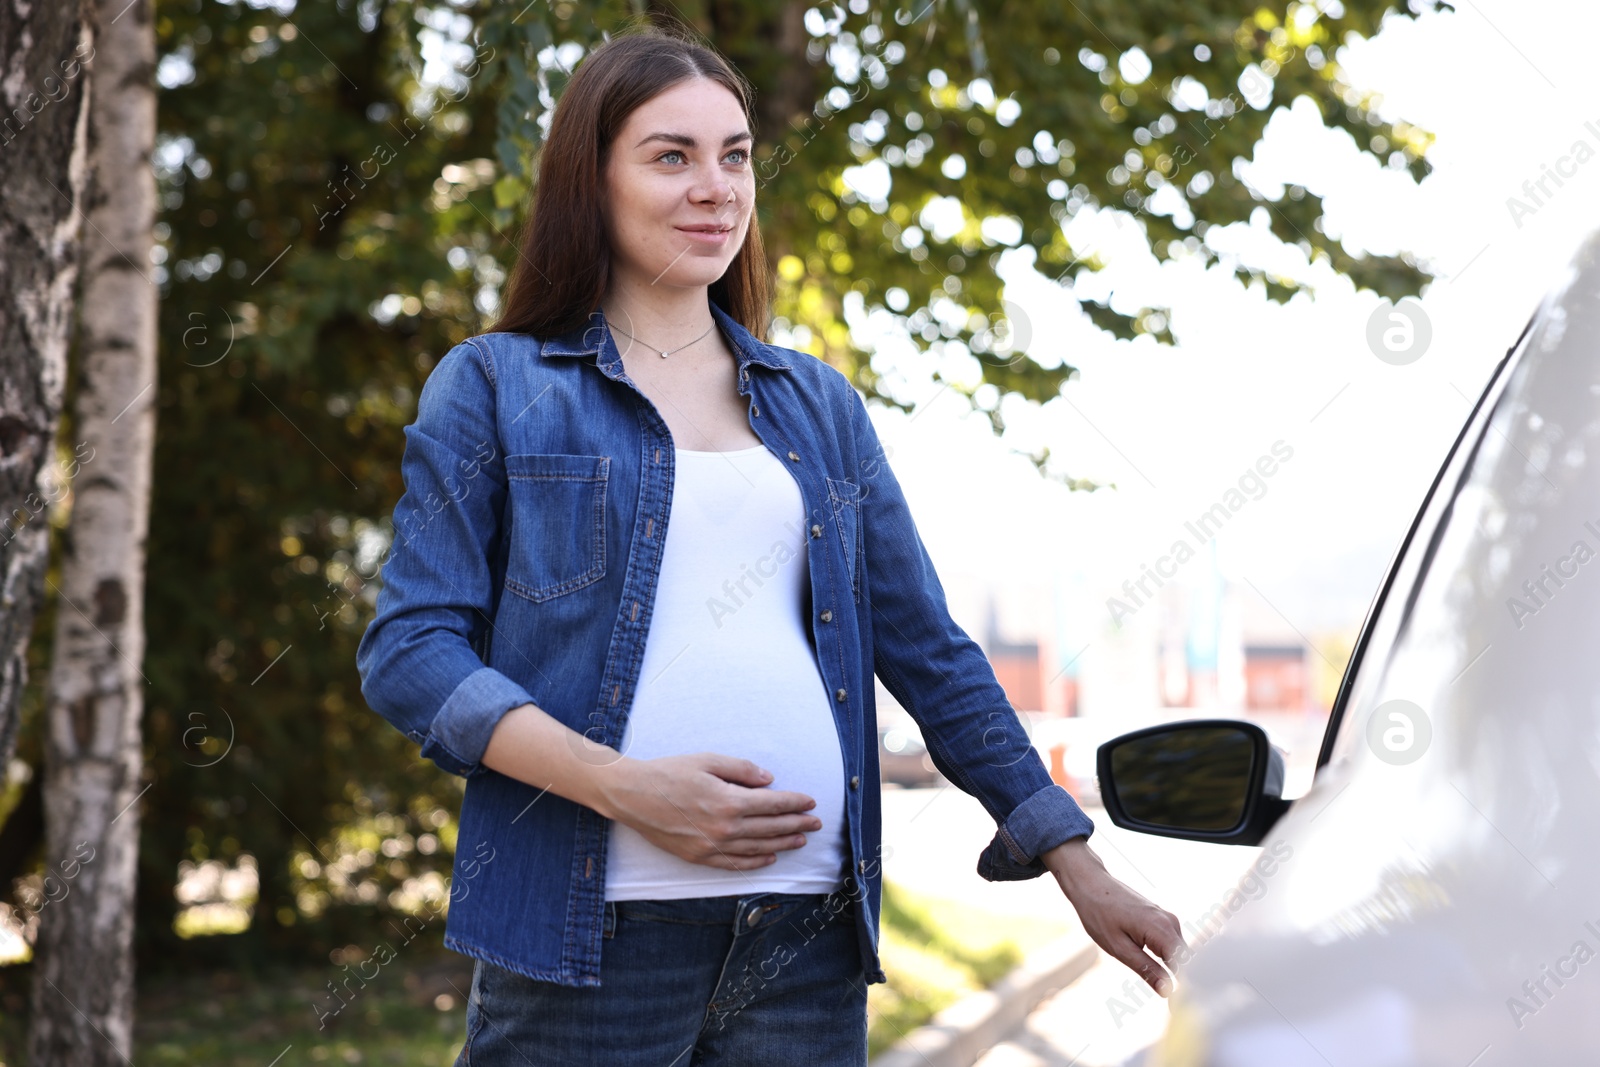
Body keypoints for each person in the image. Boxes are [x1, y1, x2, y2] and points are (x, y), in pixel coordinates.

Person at [355, 18, 1185, 1066]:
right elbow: (411, 653)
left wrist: (1075, 859)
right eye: (671, 155)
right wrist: (626, 785)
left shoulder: (818, 405)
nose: (716, 185)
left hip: (805, 945)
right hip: (586, 941)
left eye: (734, 155)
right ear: (591, 180)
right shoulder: (495, 384)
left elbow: (927, 649)